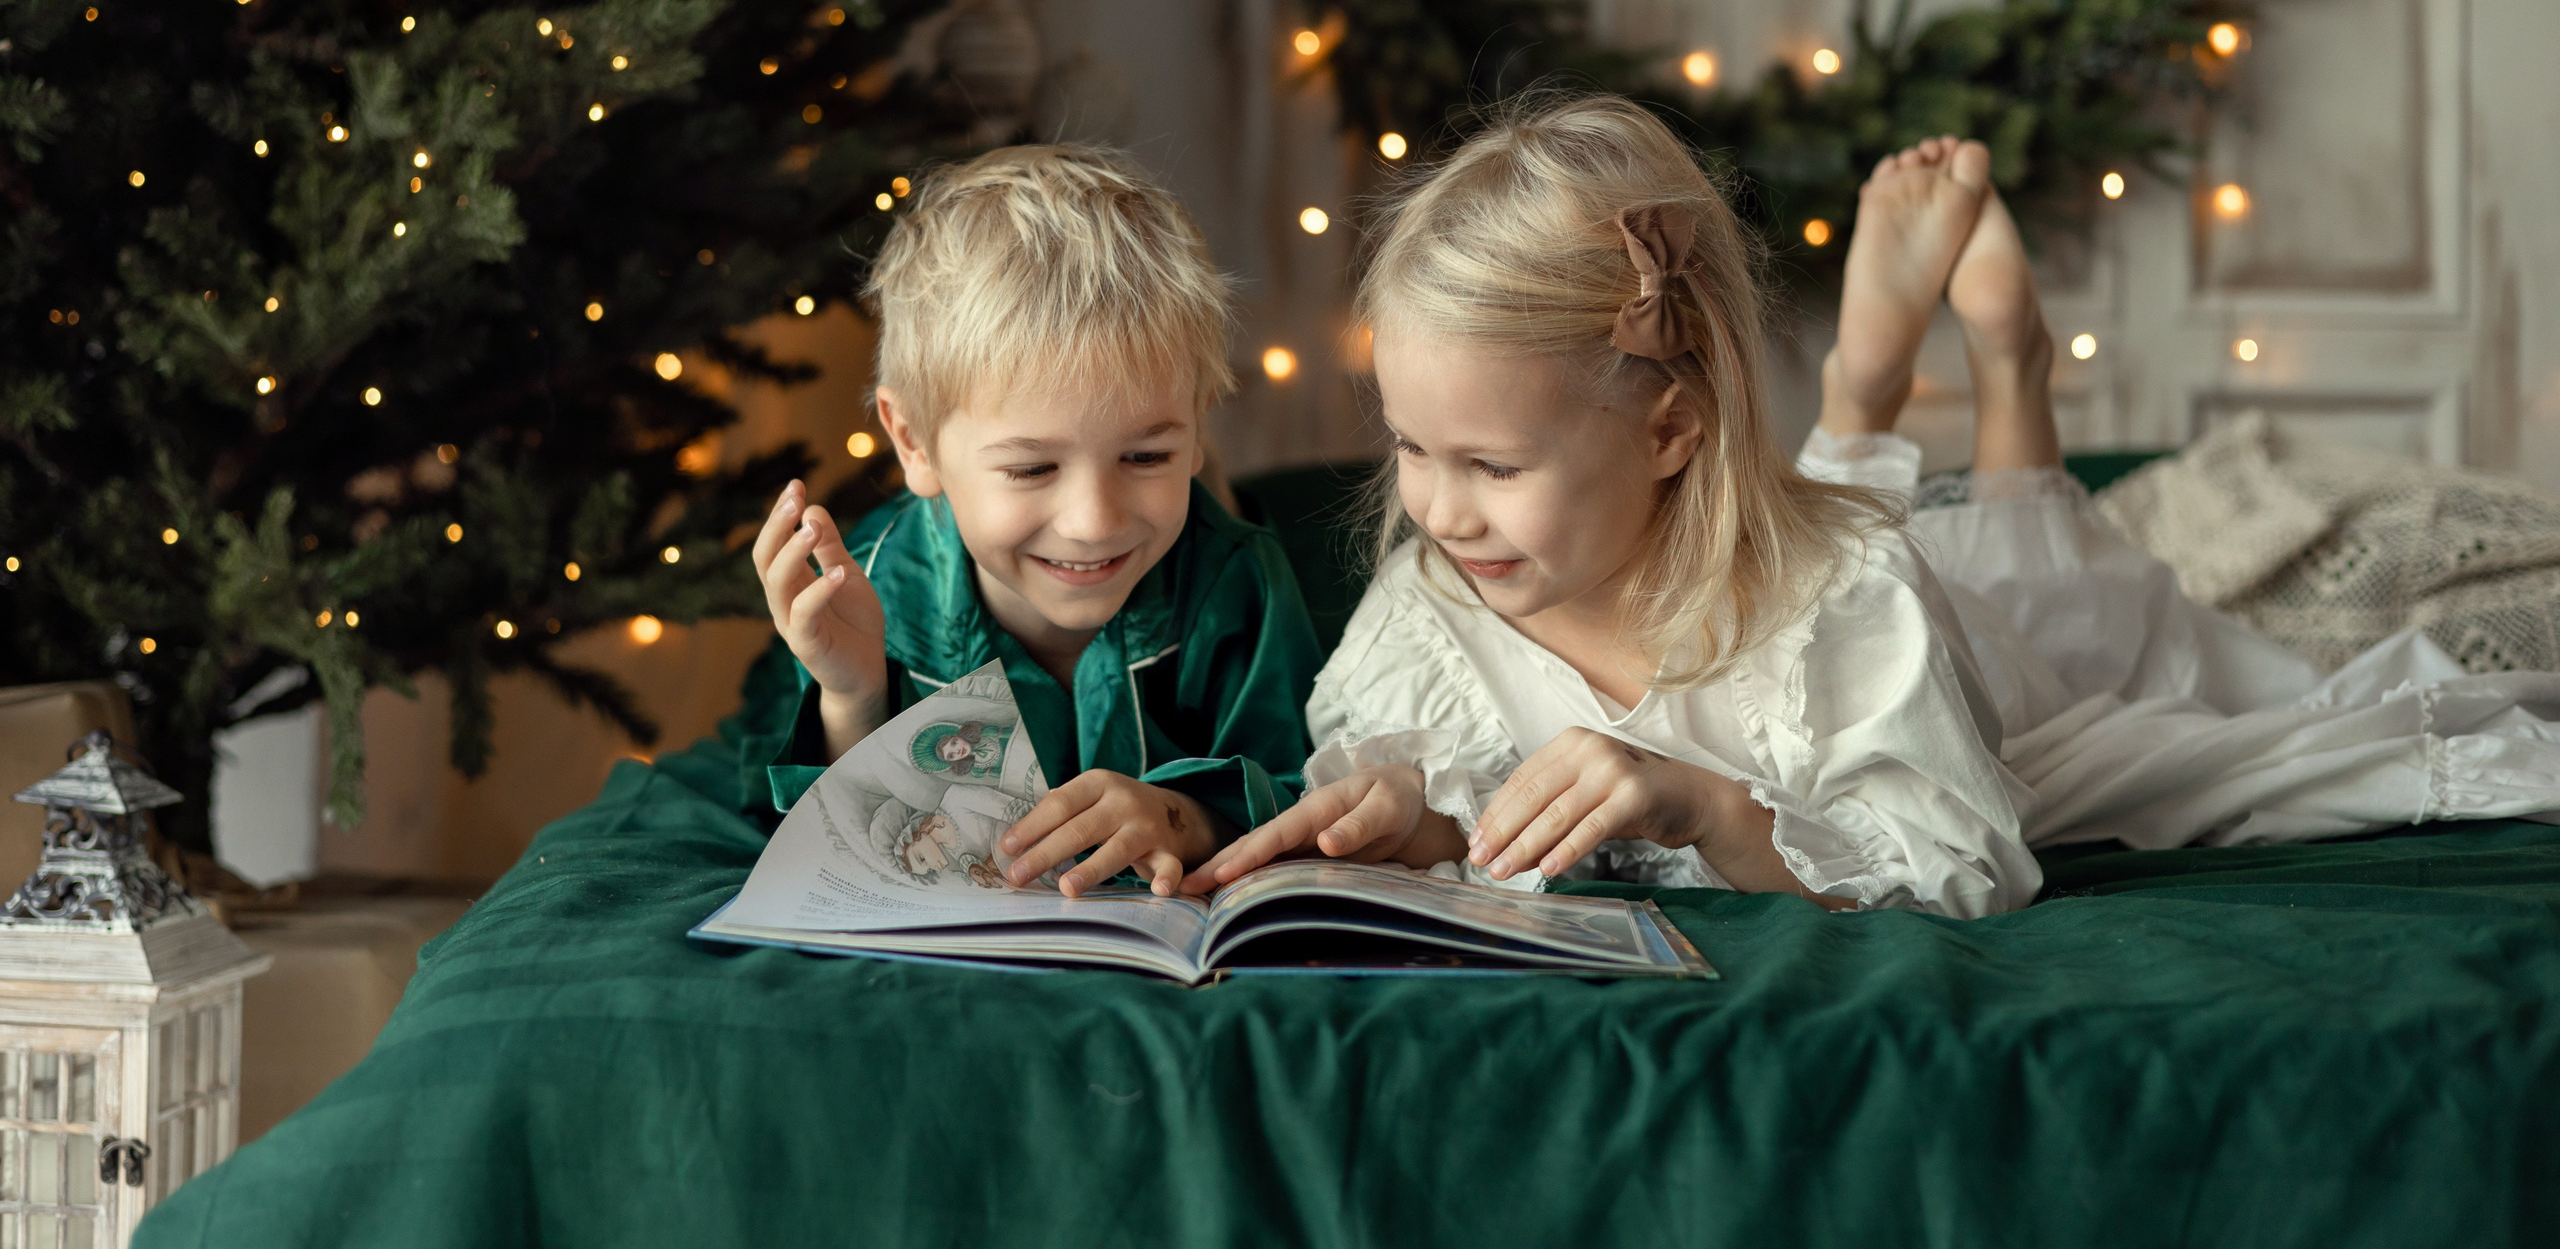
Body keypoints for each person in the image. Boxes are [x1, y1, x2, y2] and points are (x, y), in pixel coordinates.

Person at [1187, 97, 2560, 917]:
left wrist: (1709, 805)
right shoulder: (1437, 594)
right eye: (1409, 448)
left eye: (1489, 466)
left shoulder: (1851, 597)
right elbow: (1414, 787)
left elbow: (1963, 863)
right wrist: (1408, 819)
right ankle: (1867, 403)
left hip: (1958, 658)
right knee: (1924, 559)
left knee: (2109, 645)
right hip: (1781, 541)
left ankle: (1992, 389)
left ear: (1669, 425)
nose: (1437, 508)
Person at [751, 145, 1320, 898]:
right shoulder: (873, 590)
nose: (1093, 522)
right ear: (914, 441)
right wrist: (852, 697)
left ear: (1197, 425)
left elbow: (1300, 789)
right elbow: (831, 829)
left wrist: (1180, 815)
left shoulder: (1238, 583)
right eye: (1031, 469)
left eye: (1146, 456)